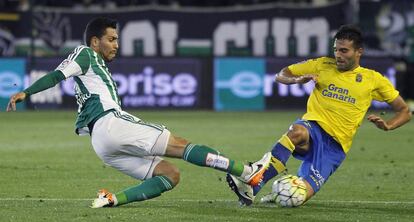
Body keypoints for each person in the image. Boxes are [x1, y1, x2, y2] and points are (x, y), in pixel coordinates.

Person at [6, 17, 260, 208]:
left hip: (102, 144)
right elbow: (57, 75)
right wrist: (26, 92)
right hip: (110, 124)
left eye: (117, 39)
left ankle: (112, 199)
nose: (116, 44)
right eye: (111, 39)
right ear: (95, 41)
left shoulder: (97, 68)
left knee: (170, 175)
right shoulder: (85, 54)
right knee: (181, 146)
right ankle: (248, 173)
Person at [226, 24, 412, 207]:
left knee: (296, 198)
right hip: (313, 128)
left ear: (359, 52)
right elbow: (281, 74)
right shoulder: (322, 64)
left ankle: (277, 194)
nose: (338, 55)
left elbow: (404, 111)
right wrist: (296, 80)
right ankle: (255, 183)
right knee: (296, 131)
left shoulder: (373, 79)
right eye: (336, 49)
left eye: (344, 50)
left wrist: (388, 126)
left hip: (335, 148)